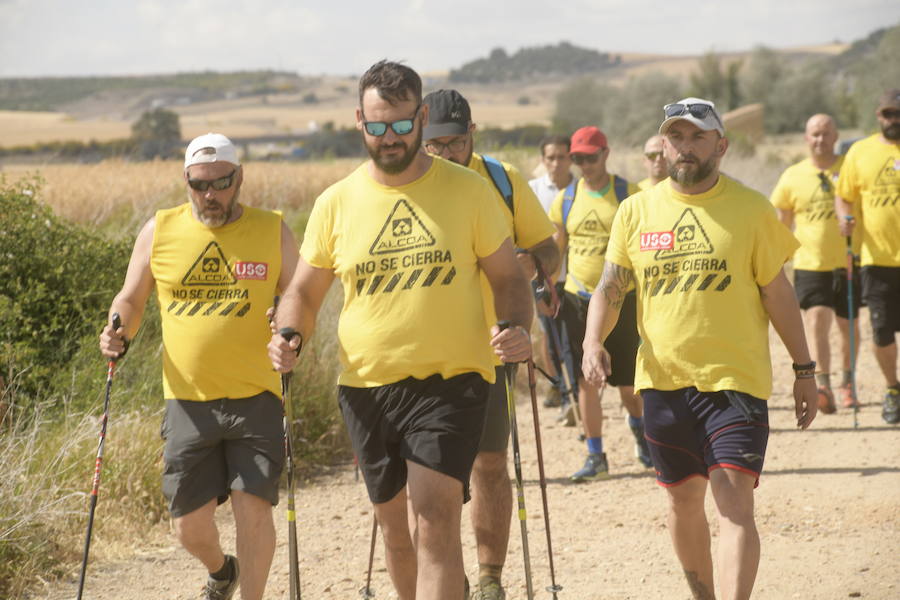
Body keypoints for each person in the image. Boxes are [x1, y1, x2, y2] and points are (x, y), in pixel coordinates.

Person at [267, 61, 533, 600]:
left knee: (434, 518)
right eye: (377, 126)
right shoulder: (336, 203)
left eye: (401, 125)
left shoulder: (469, 192)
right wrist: (289, 334)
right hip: (366, 387)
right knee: (397, 532)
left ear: (423, 117)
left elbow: (508, 277)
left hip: (452, 379)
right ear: (358, 122)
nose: (389, 139)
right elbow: (303, 291)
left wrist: (514, 326)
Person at [582, 97, 817, 600]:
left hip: (734, 381)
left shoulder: (751, 210)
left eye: (697, 137)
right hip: (663, 383)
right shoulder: (636, 210)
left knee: (734, 501)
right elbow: (611, 286)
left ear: (722, 145)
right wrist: (592, 341)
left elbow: (778, 293)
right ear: (663, 145)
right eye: (676, 137)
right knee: (683, 504)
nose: (684, 148)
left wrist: (805, 369)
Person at [99, 133, 300, 600]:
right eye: (199, 184)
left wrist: (288, 333)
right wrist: (117, 332)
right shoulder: (160, 230)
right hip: (188, 401)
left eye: (221, 182)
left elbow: (298, 296)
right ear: (186, 181)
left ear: (240, 178)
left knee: (254, 510)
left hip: (256, 395)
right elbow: (130, 298)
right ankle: (221, 570)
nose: (211, 194)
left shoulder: (272, 229)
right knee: (188, 528)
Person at [422, 89, 559, 600]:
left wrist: (530, 265)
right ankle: (446, 575)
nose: (445, 154)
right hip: (424, 350)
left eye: (455, 144)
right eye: (435, 145)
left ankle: (488, 580)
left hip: (494, 347)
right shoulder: (407, 184)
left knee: (490, 464)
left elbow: (548, 248)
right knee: (435, 475)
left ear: (471, 135)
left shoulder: (501, 180)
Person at [547, 125, 652, 481]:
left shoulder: (629, 194)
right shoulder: (566, 198)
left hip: (622, 301)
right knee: (585, 380)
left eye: (590, 157)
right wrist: (546, 286)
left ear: (605, 154)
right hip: (579, 300)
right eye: (577, 159)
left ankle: (641, 434)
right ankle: (596, 455)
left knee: (628, 384)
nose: (584, 165)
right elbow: (557, 247)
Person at [771, 114, 861, 412]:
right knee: (817, 319)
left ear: (836, 136)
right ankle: (824, 385)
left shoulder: (850, 170)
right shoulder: (792, 176)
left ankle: (848, 381)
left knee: (848, 324)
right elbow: (782, 224)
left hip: (849, 259)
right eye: (814, 134)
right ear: (806, 138)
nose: (820, 139)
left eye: (825, 133)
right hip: (810, 263)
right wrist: (776, 264)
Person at [836, 88, 900, 425]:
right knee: (882, 332)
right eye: (888, 114)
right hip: (876, 261)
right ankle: (893, 388)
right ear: (878, 116)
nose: (894, 120)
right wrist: (844, 218)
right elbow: (844, 196)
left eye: (898, 114)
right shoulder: (860, 152)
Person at [529, 135, 576, 413]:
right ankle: (561, 389)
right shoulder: (533, 190)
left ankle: (573, 391)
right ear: (543, 160)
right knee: (550, 336)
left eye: (562, 156)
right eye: (551, 157)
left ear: (571, 158)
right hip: (544, 279)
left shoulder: (580, 189)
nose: (556, 163)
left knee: (570, 340)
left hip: (576, 279)